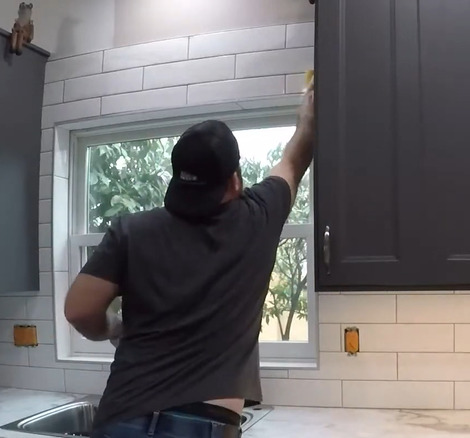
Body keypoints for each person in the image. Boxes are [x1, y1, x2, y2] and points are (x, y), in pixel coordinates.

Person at [64, 80, 315, 438]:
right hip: (206, 423)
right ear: (234, 181)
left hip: (122, 414)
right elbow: (295, 158)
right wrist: (308, 115)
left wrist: (115, 327)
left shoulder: (131, 231)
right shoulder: (259, 217)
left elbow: (78, 311)